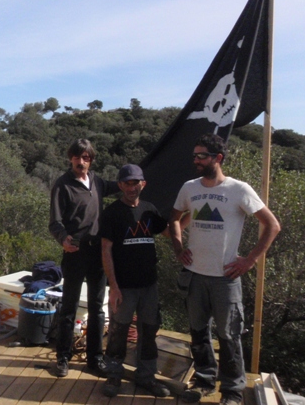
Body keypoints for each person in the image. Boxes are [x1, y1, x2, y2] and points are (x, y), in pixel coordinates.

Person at [169, 134, 280, 405]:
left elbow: (272, 225)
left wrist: (249, 260)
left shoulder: (239, 189)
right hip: (195, 276)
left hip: (225, 279)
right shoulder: (189, 188)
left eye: (201, 156)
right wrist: (178, 247)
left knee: (229, 336)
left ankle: (232, 391)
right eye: (194, 155)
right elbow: (173, 219)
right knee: (198, 332)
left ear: (217, 158)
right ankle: (204, 381)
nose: (196, 160)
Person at [49, 138, 119, 378]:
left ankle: (95, 358)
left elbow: (121, 186)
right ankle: (63, 357)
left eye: (86, 157)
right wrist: (63, 239)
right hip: (75, 252)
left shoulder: (97, 182)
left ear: (91, 160)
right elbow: (55, 222)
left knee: (98, 309)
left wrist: (140, 178)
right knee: (68, 307)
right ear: (71, 158)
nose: (81, 161)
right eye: (77, 157)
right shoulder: (63, 184)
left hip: (98, 253)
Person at [99, 164, 171, 398]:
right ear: (120, 185)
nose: (132, 187)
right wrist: (114, 287)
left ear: (143, 184)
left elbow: (169, 231)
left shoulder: (150, 210)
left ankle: (146, 377)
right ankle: (113, 374)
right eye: (127, 183)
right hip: (124, 287)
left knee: (149, 331)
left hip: (149, 284)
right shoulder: (112, 212)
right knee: (119, 331)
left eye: (135, 182)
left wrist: (189, 211)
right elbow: (106, 250)